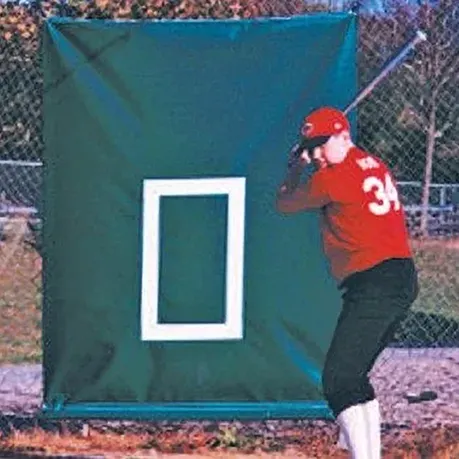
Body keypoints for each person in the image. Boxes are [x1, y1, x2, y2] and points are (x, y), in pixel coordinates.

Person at [275, 107, 418, 459]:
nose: (319, 154)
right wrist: (314, 158)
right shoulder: (373, 164)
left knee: (338, 381)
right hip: (399, 277)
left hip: (375, 282)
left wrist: (295, 168)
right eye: (313, 148)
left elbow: (284, 203)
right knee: (353, 379)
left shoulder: (331, 178)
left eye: (323, 145)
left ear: (343, 137)